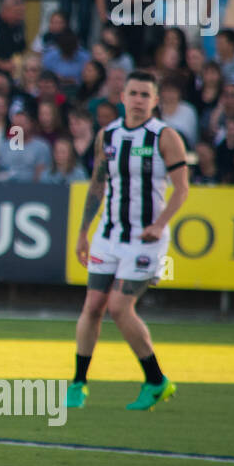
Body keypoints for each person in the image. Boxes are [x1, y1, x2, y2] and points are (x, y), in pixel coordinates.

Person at [70, 71, 189, 412]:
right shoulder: (107, 135)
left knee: (120, 307)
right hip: (108, 235)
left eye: (145, 94)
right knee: (93, 306)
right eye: (133, 93)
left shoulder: (165, 137)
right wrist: (83, 231)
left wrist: (159, 223)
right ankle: (79, 383)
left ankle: (156, 380)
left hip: (145, 239)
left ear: (154, 101)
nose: (138, 99)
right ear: (122, 97)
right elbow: (97, 184)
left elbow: (181, 189)